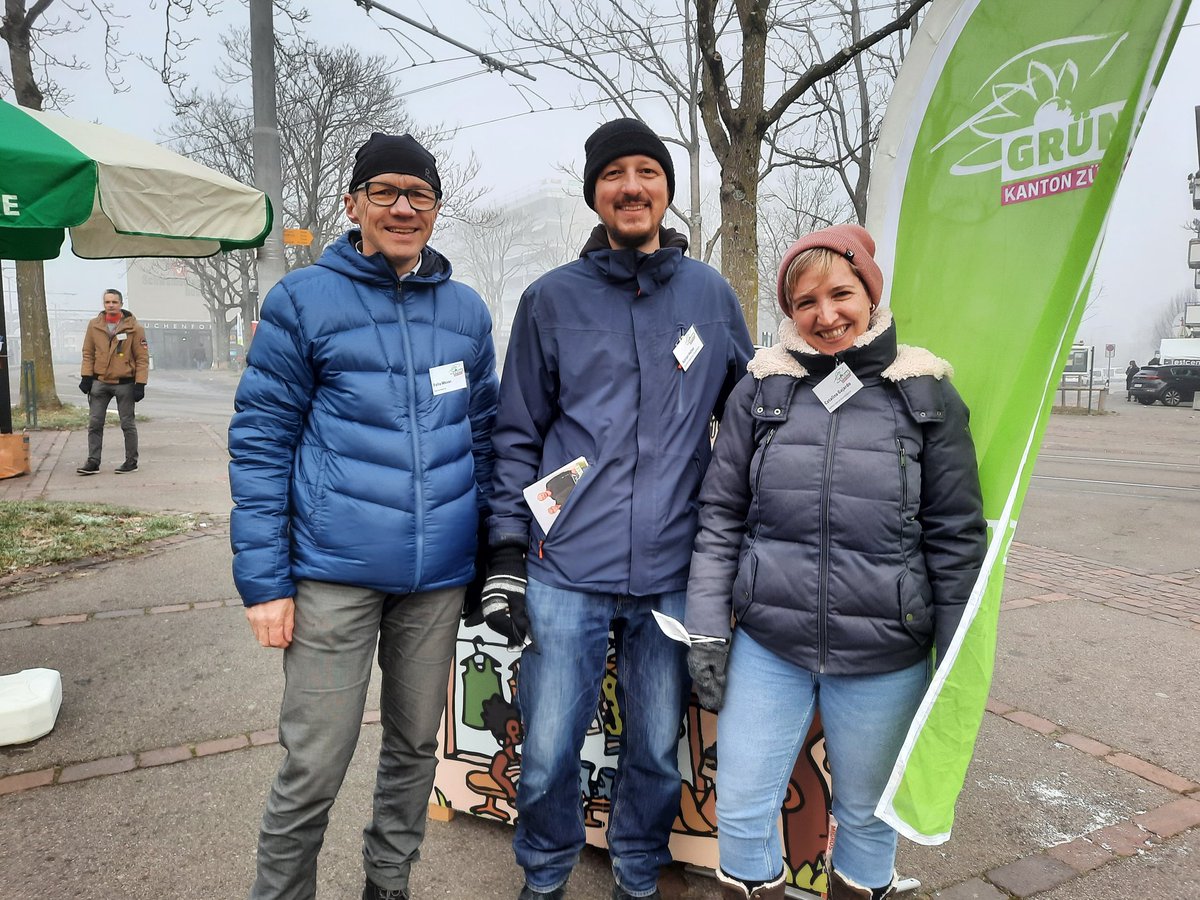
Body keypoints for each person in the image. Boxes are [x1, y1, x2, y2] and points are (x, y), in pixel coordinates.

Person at [481, 118, 753, 900]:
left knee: (656, 752)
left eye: (647, 172)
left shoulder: (709, 295)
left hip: (673, 569)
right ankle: (545, 876)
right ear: (595, 193)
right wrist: (505, 552)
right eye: (614, 175)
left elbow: (752, 425)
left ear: (667, 191)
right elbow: (517, 434)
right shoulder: (549, 300)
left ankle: (637, 875)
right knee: (549, 751)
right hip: (566, 567)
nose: (631, 186)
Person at [228, 132, 499, 900]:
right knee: (314, 761)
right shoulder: (302, 300)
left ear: (438, 210)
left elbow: (484, 441)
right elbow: (260, 444)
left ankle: (388, 886)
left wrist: (488, 562)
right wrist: (264, 583)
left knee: (415, 749)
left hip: (437, 581)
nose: (403, 207)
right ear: (353, 204)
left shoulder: (466, 312)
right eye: (385, 191)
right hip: (331, 577)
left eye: (420, 194)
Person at [685, 224, 987, 900]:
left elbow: (955, 536)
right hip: (770, 646)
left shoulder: (927, 394)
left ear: (871, 294)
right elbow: (720, 518)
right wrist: (708, 626)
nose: (826, 316)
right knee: (739, 809)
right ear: (789, 312)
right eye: (806, 302)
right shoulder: (761, 391)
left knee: (868, 817)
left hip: (886, 652)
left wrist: (956, 659)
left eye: (841, 294)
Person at [76, 288, 148, 475]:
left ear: (121, 304)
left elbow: (142, 358)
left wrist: (140, 384)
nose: (111, 305)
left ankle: (131, 461)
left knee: (127, 423)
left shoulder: (134, 328)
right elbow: (88, 353)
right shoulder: (94, 326)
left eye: (114, 302)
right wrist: (86, 377)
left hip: (125, 383)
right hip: (99, 382)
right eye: (107, 302)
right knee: (95, 423)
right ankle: (93, 461)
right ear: (104, 304)